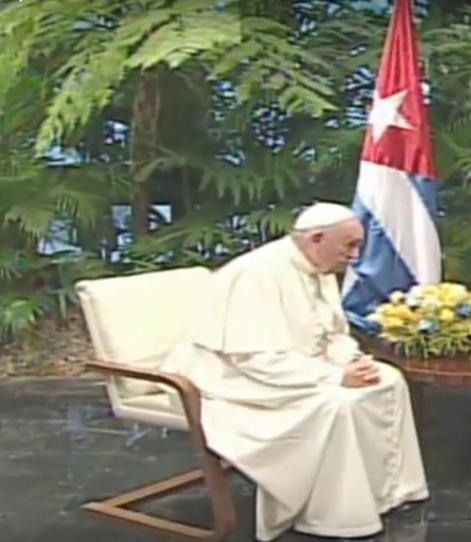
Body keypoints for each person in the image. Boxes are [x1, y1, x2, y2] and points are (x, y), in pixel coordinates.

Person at [160, 201, 430, 542]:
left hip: (295, 369)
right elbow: (254, 360)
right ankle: (331, 514)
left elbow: (331, 334)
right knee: (337, 404)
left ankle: (388, 492)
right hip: (233, 381)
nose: (355, 255)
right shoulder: (255, 274)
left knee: (388, 379)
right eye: (349, 245)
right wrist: (334, 377)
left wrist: (351, 361)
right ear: (316, 238)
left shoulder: (318, 266)